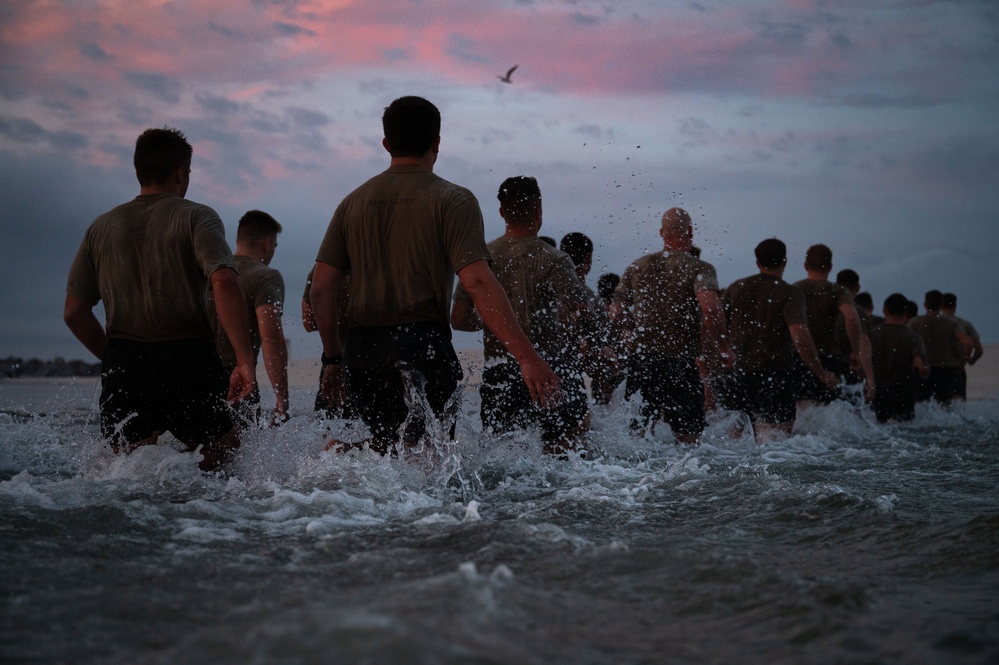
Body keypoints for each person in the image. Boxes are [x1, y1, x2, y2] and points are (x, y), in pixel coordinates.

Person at [310, 96, 559, 454]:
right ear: (437, 143)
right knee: (430, 456)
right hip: (422, 343)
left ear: (386, 144)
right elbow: (476, 281)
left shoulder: (352, 202)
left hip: (362, 350)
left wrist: (332, 360)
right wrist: (526, 356)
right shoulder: (453, 200)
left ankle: (338, 454)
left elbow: (321, 289)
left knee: (387, 449)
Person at [64, 127, 255, 471]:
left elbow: (75, 312)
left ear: (138, 171)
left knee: (128, 471)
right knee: (225, 453)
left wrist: (112, 358)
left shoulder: (101, 226)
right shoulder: (197, 216)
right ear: (182, 173)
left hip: (124, 360)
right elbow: (225, 279)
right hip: (185, 356)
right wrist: (244, 361)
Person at [452, 177, 603, 455]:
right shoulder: (553, 259)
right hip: (548, 371)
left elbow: (459, 319)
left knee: (504, 458)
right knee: (568, 448)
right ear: (538, 210)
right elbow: (583, 308)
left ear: (501, 212)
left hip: (499, 373)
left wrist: (494, 321)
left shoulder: (483, 258)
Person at [612, 208, 734, 444]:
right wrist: (723, 347)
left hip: (642, 363)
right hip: (680, 363)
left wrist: (632, 327)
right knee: (688, 442)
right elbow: (710, 309)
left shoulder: (637, 266)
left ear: (661, 233)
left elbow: (615, 311)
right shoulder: (699, 268)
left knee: (637, 440)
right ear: (690, 232)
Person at [719, 238, 838, 442]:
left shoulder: (736, 288)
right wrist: (820, 372)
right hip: (774, 374)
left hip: (738, 374)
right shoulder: (789, 293)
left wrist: (718, 359)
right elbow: (800, 337)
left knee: (735, 443)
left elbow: (715, 326)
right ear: (784, 261)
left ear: (757, 263)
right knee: (775, 445)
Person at [211, 210, 289, 428]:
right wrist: (282, 397)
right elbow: (271, 337)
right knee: (238, 456)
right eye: (274, 246)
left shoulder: (210, 274)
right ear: (266, 244)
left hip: (198, 374)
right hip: (239, 380)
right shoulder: (265, 276)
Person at [792, 244, 874, 403]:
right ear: (830, 267)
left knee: (800, 408)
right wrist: (855, 351)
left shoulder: (795, 289)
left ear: (805, 265)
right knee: (826, 408)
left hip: (799, 356)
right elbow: (851, 318)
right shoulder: (837, 291)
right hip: (828, 357)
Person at [302, 265, 353, 417]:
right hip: (381, 360)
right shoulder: (387, 261)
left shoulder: (323, 268)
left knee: (329, 430)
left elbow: (308, 322)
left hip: (335, 362)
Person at [869, 293, 929, 422]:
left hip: (879, 391)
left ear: (884, 310)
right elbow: (922, 367)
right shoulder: (912, 336)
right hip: (903, 392)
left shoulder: (873, 334)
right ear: (905, 311)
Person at [908, 290, 974, 406]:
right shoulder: (950, 324)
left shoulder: (915, 322)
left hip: (923, 370)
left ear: (925, 305)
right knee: (945, 407)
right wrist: (962, 363)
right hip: (945, 371)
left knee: (922, 406)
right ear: (941, 305)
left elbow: (906, 342)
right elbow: (968, 343)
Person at [830, 268, 876, 395]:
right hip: (846, 367)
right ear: (858, 287)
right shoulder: (857, 312)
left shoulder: (826, 306)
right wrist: (869, 377)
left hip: (821, 364)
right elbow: (864, 341)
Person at [941, 292, 984, 400]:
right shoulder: (964, 324)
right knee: (958, 404)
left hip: (937, 369)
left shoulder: (934, 323)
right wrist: (969, 360)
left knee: (938, 405)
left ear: (941, 305)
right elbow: (978, 350)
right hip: (957, 368)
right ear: (955, 305)